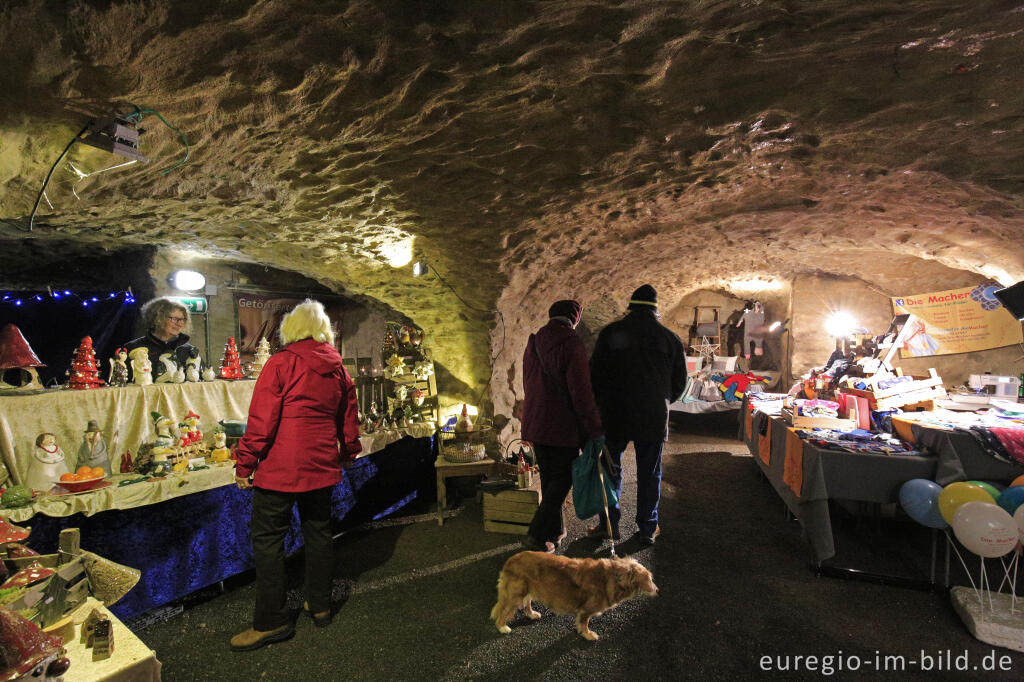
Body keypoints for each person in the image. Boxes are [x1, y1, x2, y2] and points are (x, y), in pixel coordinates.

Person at [230, 299, 361, 652]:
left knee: (269, 541)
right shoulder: (338, 370)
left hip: (279, 470)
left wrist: (245, 464)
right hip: (320, 467)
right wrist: (348, 453)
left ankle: (272, 621)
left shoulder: (281, 364)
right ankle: (319, 605)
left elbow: (261, 422)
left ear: (291, 329)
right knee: (318, 533)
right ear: (323, 330)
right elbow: (348, 420)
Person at [590, 285, 686, 545]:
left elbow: (595, 375)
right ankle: (647, 528)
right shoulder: (670, 338)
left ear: (630, 307)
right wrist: (662, 402)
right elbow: (680, 382)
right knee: (650, 472)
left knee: (610, 470)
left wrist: (602, 404)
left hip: (615, 414)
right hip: (653, 416)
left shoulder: (611, 333)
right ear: (656, 310)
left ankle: (609, 524)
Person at [520, 300, 604, 553]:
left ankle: (554, 531)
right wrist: (594, 426)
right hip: (562, 426)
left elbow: (528, 384)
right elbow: (581, 392)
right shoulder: (572, 343)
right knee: (563, 479)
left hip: (536, 422)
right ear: (575, 318)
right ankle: (535, 534)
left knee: (549, 478)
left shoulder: (534, 341)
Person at [124, 298, 198, 381]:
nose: (179, 324)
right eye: (174, 319)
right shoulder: (133, 348)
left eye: (182, 320)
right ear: (157, 319)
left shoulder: (189, 350)